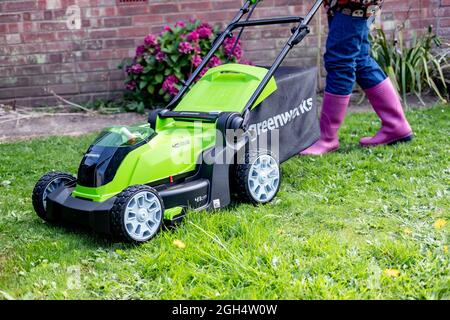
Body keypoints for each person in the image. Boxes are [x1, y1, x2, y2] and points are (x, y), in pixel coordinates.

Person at [300, 0, 413, 156]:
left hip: (353, 4)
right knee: (360, 59)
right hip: (357, 5)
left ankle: (327, 138)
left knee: (340, 61)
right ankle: (396, 125)